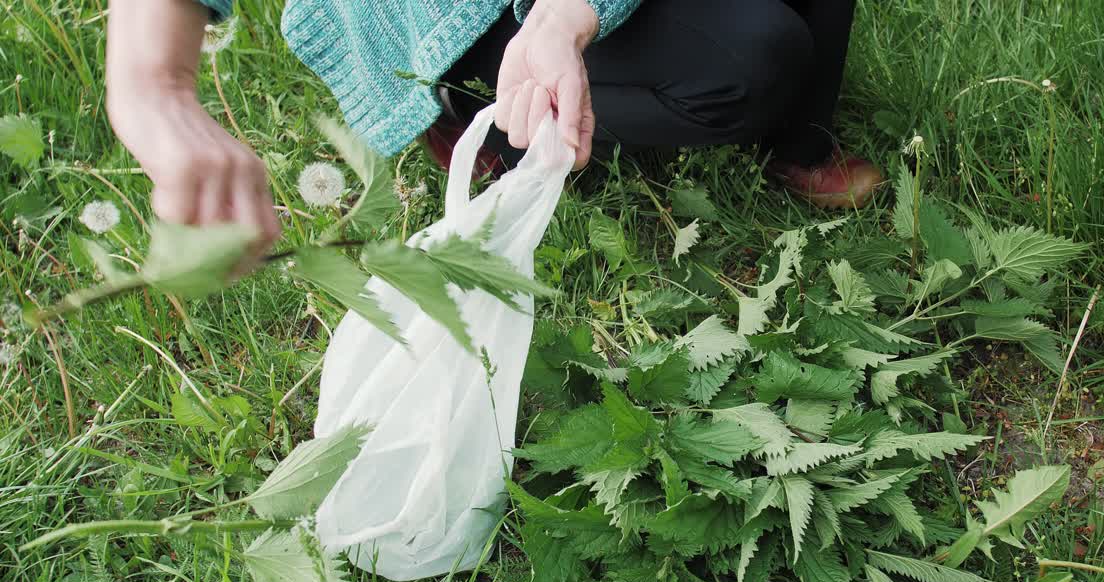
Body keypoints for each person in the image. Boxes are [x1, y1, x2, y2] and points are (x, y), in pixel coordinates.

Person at [105, 0, 884, 259]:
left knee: (788, 41)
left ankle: (798, 144)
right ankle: (486, 121)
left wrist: (568, 12)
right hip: (459, 15)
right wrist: (155, 88)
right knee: (755, 58)